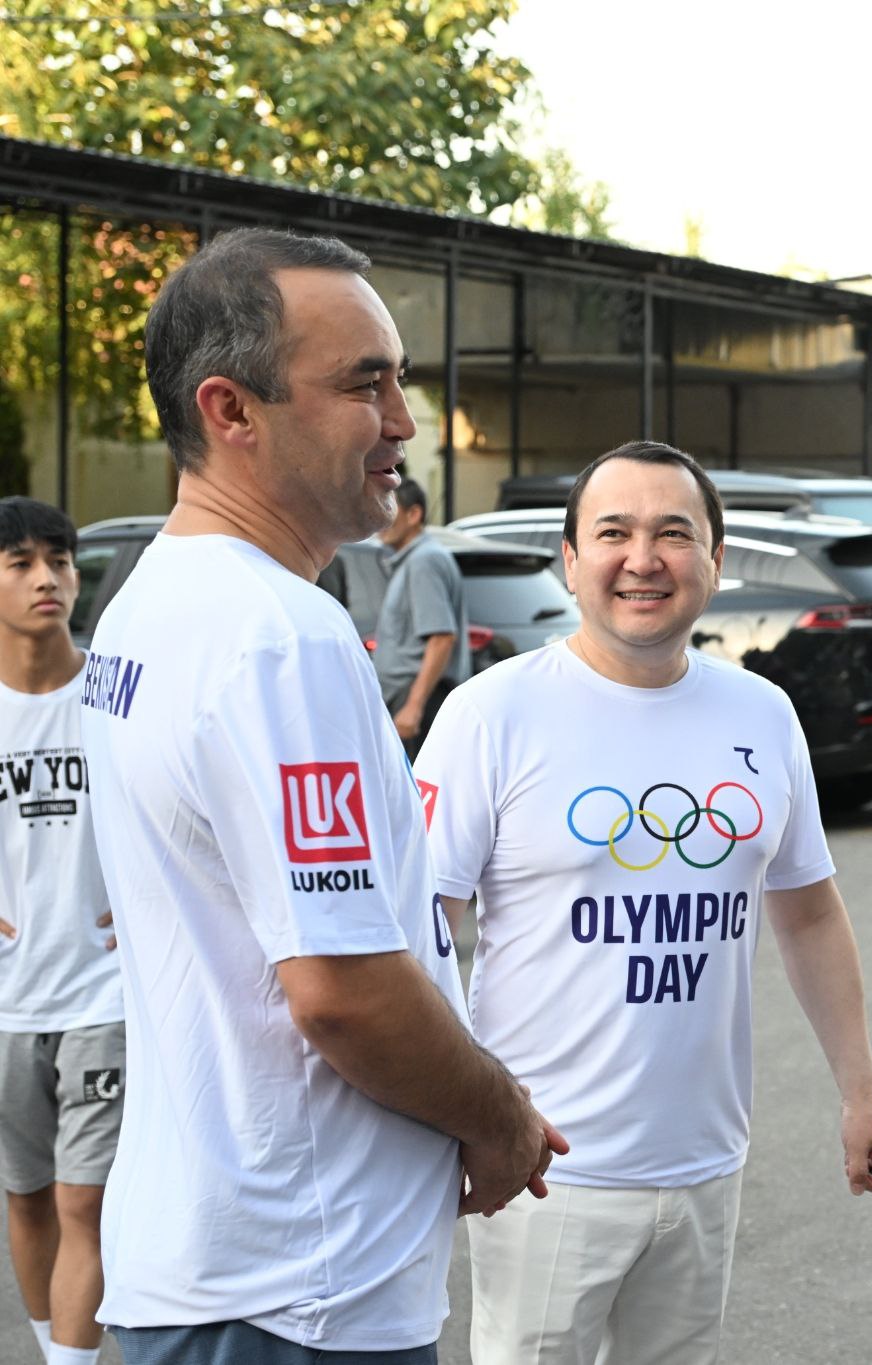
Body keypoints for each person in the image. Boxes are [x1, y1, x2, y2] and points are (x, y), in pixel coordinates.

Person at [79, 226, 565, 1364]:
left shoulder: (148, 603)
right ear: (230, 410)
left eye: (400, 380)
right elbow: (344, 990)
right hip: (298, 1288)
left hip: (216, 1264)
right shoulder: (278, 635)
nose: (403, 421)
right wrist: (500, 1122)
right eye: (364, 384)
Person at [415, 440, 872, 1365]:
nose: (644, 559)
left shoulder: (761, 714)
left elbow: (808, 912)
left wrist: (860, 1094)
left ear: (715, 559)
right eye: (613, 533)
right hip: (545, 1168)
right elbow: (421, 934)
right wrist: (457, 1119)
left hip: (706, 1163)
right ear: (570, 560)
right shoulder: (490, 714)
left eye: (674, 533)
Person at [0, 498, 120, 1365]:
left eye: (62, 560)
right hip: (9, 998)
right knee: (28, 1196)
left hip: (104, 992)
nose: (48, 578)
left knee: (87, 1201)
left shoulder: (112, 694)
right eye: (22, 562)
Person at [373, 477, 469, 755]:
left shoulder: (424, 560)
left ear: (414, 514)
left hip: (416, 703)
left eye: (389, 507)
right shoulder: (417, 558)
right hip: (410, 699)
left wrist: (414, 706)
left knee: (415, 782)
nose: (381, 519)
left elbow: (441, 637)